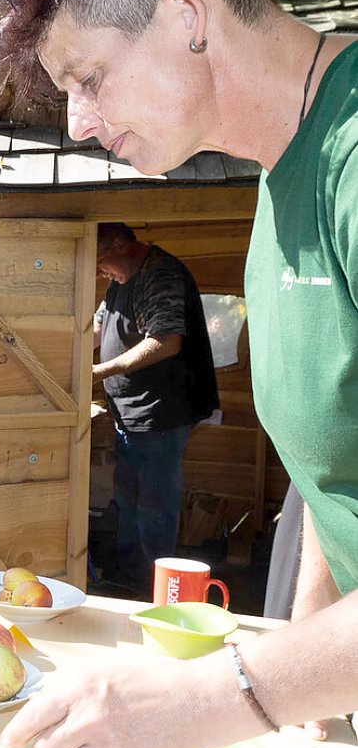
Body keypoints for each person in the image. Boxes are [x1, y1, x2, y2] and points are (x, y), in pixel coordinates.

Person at [0, 0, 358, 748]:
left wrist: (215, 698)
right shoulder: (280, 179)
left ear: (185, 17)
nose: (76, 120)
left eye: (87, 77)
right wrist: (313, 711)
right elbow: (338, 482)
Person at [93, 222, 219, 591]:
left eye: (99, 260)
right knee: (128, 500)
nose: (98, 271)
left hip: (161, 412)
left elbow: (165, 342)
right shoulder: (118, 278)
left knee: (153, 507)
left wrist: (100, 371)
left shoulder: (159, 273)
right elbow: (98, 328)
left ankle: (157, 590)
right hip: (129, 412)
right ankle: (132, 578)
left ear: (120, 245)